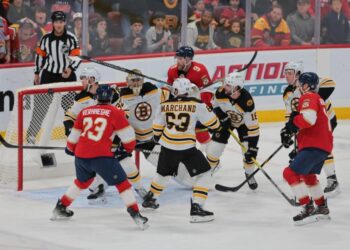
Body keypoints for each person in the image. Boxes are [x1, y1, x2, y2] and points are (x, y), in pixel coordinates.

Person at [52, 84, 149, 230]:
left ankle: (61, 207)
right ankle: (135, 214)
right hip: (101, 156)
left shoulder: (85, 111)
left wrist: (71, 149)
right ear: (111, 97)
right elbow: (129, 139)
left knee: (82, 182)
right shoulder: (116, 112)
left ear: (96, 97)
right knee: (123, 184)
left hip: (81, 156)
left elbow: (73, 137)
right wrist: (126, 150)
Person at [63, 68, 148, 203]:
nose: (81, 81)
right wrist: (70, 133)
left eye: (84, 78)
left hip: (113, 139)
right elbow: (69, 117)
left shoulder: (111, 94)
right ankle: (98, 188)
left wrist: (119, 140)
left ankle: (140, 189)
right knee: (90, 169)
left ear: (92, 80)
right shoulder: (81, 97)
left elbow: (124, 115)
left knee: (127, 165)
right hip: (94, 142)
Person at [142, 78, 220, 223]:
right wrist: (200, 102)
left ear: (176, 91)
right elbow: (214, 124)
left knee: (163, 173)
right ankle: (197, 207)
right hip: (187, 148)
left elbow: (157, 129)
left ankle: (151, 198)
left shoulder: (164, 105)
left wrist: (160, 141)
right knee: (204, 173)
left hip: (167, 146)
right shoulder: (197, 104)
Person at [280, 72, 332, 225]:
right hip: (322, 145)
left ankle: (307, 206)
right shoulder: (318, 98)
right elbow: (310, 122)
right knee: (308, 176)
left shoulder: (308, 96)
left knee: (289, 173)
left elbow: (308, 119)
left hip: (314, 144)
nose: (299, 86)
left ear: (307, 85)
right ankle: (321, 207)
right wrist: (292, 128)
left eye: (301, 83)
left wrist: (292, 124)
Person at [282, 62, 339, 194]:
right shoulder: (287, 93)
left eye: (289, 73)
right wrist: (288, 129)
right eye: (285, 73)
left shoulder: (308, 82)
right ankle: (311, 177)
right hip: (309, 121)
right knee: (309, 146)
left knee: (319, 145)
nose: (286, 76)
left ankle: (332, 178)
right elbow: (291, 113)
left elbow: (330, 83)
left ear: (298, 74)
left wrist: (315, 98)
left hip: (327, 119)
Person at [26, 11, 81, 144]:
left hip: (67, 76)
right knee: (41, 105)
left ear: (65, 22)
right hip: (49, 75)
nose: (59, 24)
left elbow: (76, 56)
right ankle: (32, 134)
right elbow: (40, 56)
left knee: (70, 107)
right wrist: (37, 72)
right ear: (52, 23)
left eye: (61, 22)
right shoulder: (45, 39)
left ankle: (71, 134)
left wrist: (70, 68)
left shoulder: (71, 38)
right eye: (56, 22)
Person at [205, 71, 260, 189]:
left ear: (237, 88)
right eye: (226, 84)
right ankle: (206, 174)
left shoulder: (247, 102)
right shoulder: (220, 92)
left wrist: (253, 147)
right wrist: (221, 117)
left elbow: (254, 128)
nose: (225, 87)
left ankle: (249, 174)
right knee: (214, 148)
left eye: (228, 85)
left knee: (248, 153)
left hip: (243, 125)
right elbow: (214, 106)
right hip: (226, 122)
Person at [167, 46, 213, 147]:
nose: (177, 61)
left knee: (203, 138)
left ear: (188, 59)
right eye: (177, 58)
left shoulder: (200, 70)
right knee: (179, 140)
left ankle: (213, 161)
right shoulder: (172, 70)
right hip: (180, 109)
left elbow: (207, 92)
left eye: (180, 59)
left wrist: (207, 111)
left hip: (196, 106)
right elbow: (169, 92)